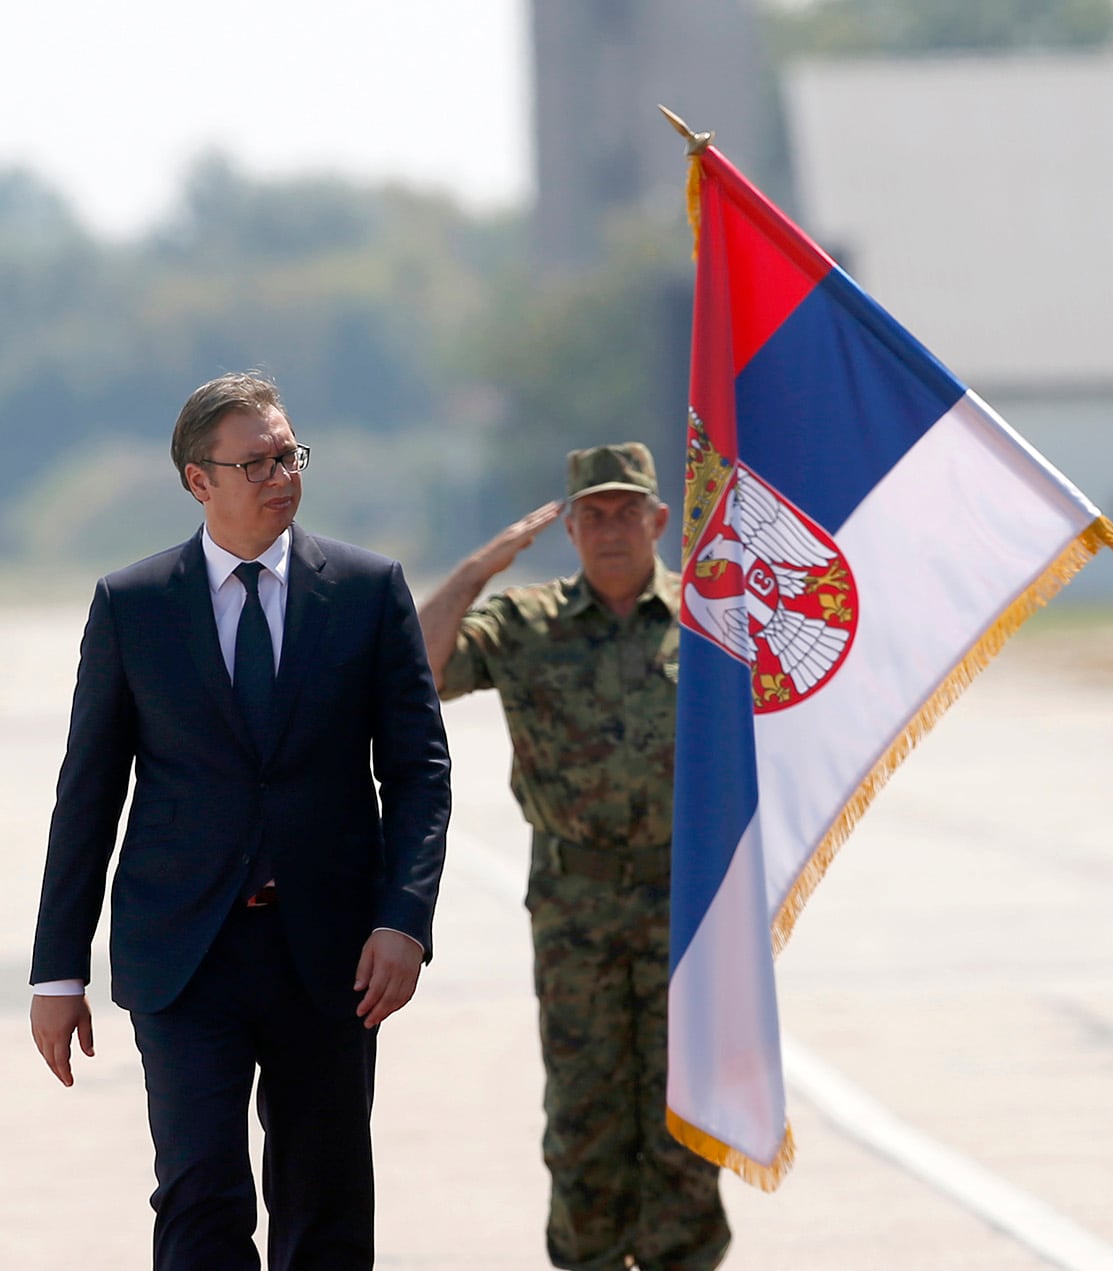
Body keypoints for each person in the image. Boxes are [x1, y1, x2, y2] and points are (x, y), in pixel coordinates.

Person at [27, 372, 452, 1270]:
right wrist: (58, 970)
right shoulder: (133, 606)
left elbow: (418, 772)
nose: (281, 475)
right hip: (186, 956)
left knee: (325, 1205)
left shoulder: (370, 593)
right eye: (254, 461)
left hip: (333, 958)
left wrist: (403, 918)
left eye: (289, 454)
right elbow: (88, 793)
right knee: (200, 1196)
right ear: (198, 480)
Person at [419, 443, 729, 1271]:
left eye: (628, 511)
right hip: (576, 912)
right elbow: (419, 667)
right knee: (586, 1127)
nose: (612, 529)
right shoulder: (528, 625)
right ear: (569, 527)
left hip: (687, 907)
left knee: (688, 1128)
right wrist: (476, 571)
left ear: (660, 521)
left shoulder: (712, 621)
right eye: (592, 514)